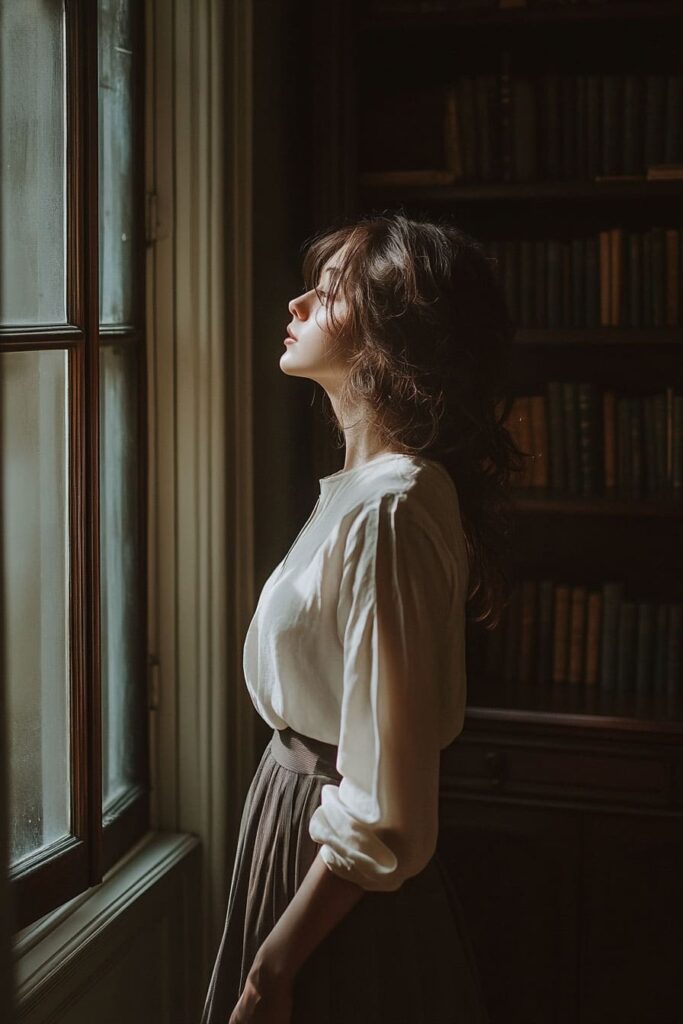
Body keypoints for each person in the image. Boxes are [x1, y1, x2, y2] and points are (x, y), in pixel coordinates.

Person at [200, 211, 525, 1024]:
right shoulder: (364, 494)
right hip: (295, 831)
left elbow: (387, 803)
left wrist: (270, 972)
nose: (299, 302)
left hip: (330, 878)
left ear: (392, 334)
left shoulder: (394, 506)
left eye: (332, 290)